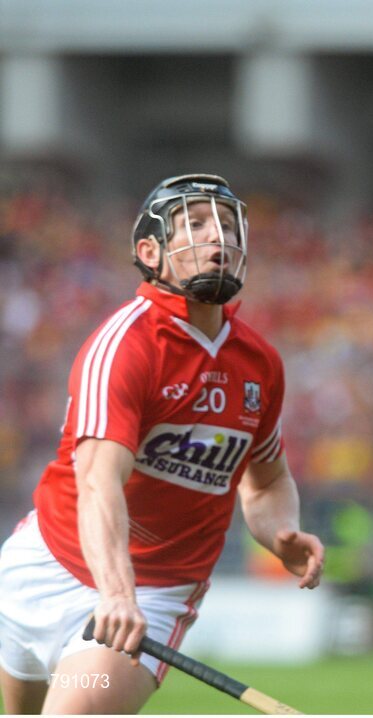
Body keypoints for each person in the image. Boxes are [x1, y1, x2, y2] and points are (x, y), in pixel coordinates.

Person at [0, 174, 324, 715]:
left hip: (153, 592)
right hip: (46, 566)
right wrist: (114, 590)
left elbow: (266, 479)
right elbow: (98, 481)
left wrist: (279, 532)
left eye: (227, 226)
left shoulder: (260, 362)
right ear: (150, 253)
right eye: (195, 224)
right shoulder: (126, 344)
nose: (218, 237)